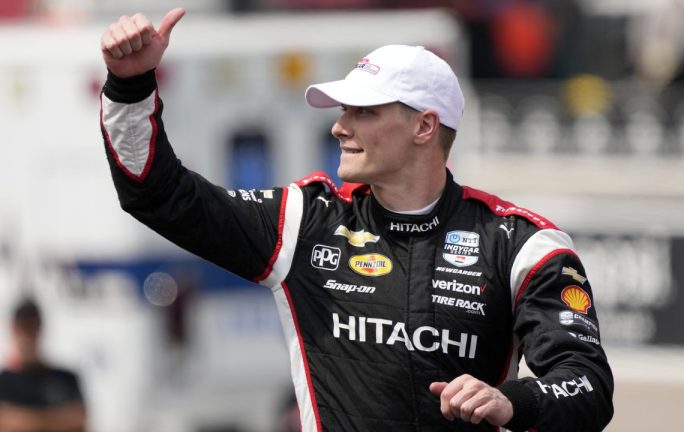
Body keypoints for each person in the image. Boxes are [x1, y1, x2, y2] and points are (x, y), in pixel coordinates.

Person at [99, 8, 613, 431]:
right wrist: (130, 86)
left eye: (363, 111)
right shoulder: (306, 221)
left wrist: (512, 400)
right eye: (343, 109)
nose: (340, 126)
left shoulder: (522, 244)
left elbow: (586, 382)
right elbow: (158, 195)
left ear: (424, 126)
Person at [0, 298, 86, 432]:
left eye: (33, 327)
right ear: (13, 330)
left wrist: (20, 419)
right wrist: (57, 420)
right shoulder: (4, 381)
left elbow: (80, 419)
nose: (28, 336)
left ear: (40, 328)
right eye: (23, 328)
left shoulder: (65, 379)